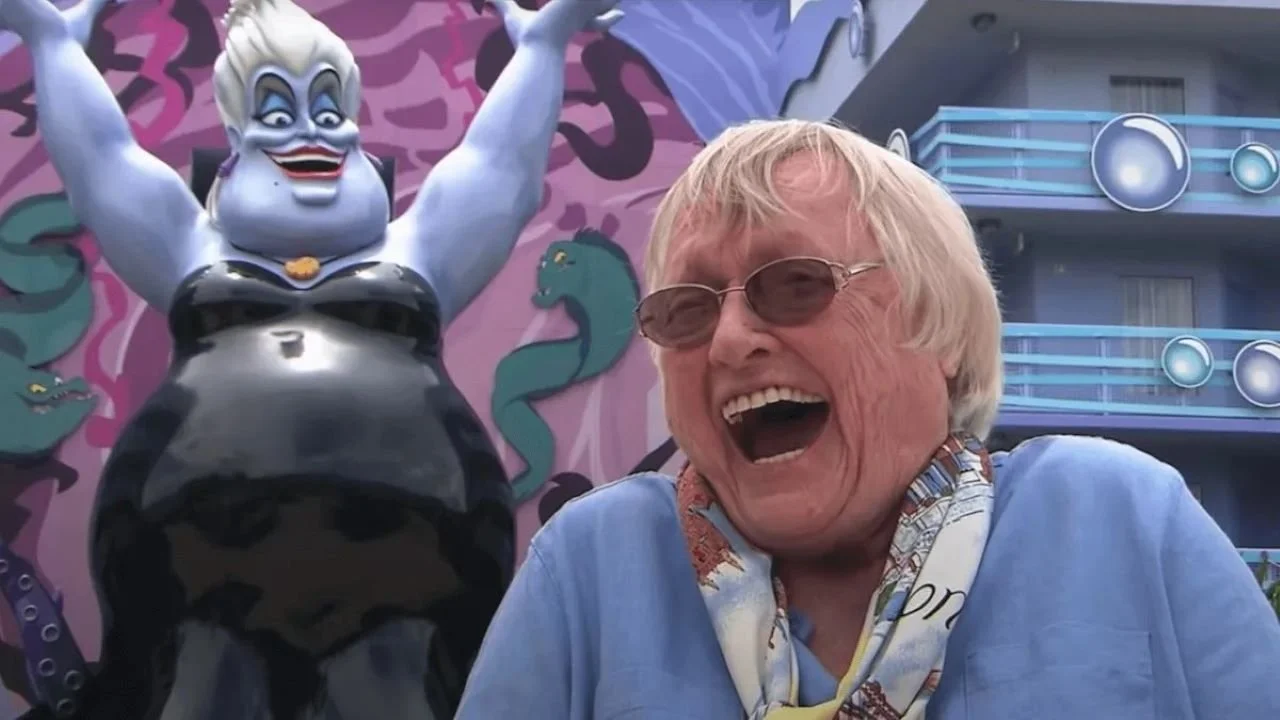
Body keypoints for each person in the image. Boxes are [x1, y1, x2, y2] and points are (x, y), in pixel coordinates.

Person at [457, 119, 1280, 719]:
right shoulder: (592, 570)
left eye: (795, 283)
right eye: (687, 310)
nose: (731, 341)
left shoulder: (1119, 517)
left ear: (937, 328)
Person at [0, 0, 624, 717]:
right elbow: (101, 160)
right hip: (198, 580)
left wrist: (544, 42)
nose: (308, 130)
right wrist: (49, 38)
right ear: (235, 130)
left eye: (327, 106)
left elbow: (500, 163)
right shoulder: (189, 246)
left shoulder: (418, 250)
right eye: (276, 107)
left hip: (405, 581)